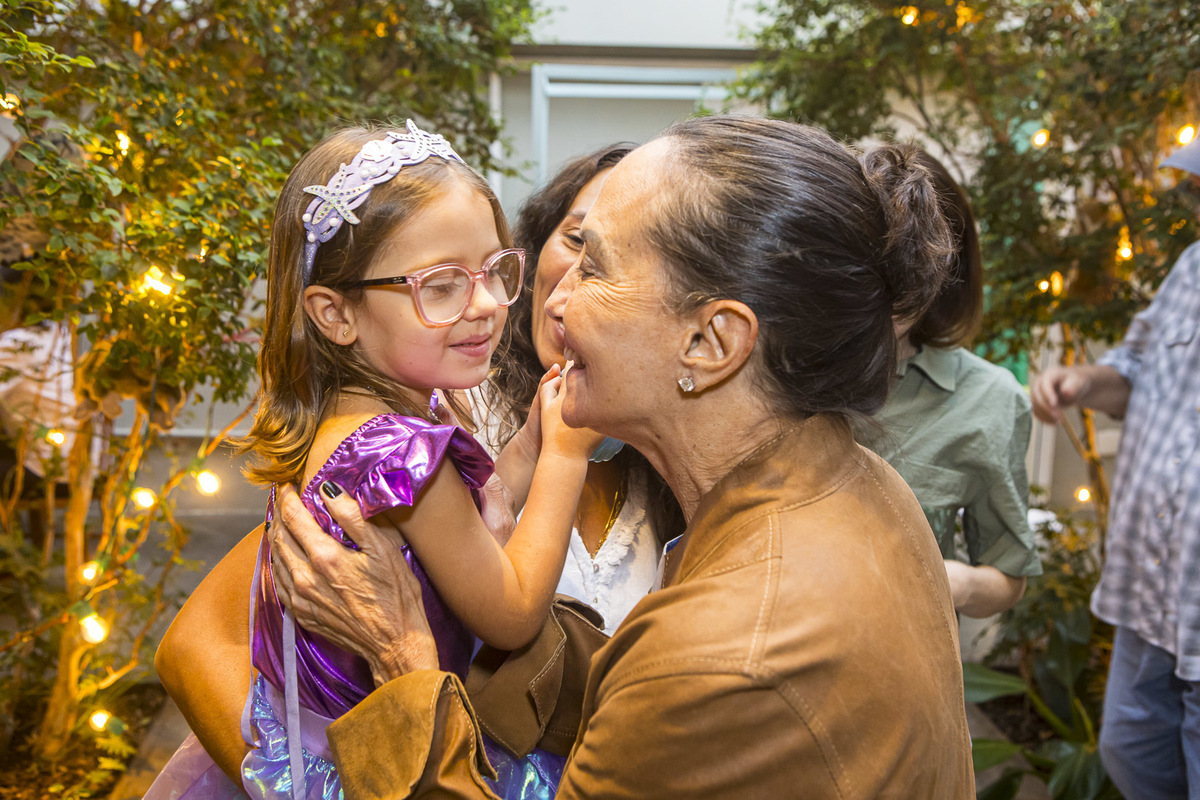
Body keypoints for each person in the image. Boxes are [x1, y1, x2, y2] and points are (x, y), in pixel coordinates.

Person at [269, 115, 976, 798]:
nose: (553, 301)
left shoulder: (722, 659)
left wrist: (403, 665)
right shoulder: (869, 487)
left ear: (710, 342)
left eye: (596, 267)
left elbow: (682, 681)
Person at [151, 143, 686, 792]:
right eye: (441, 285)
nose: (485, 303)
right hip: (382, 762)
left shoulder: (355, 427)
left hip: (310, 736)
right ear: (336, 314)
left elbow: (474, 515)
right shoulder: (404, 458)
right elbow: (512, 613)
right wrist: (565, 456)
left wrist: (528, 448)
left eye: (493, 270)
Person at [1031, 135, 1200, 800]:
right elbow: (1135, 368)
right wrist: (1082, 382)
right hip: (1153, 591)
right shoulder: (1192, 268)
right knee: (1130, 752)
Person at [488, 143, 684, 632]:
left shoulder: (677, 454)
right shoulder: (449, 419)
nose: (571, 295)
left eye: (613, 261)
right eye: (576, 240)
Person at [859, 149, 1041, 619]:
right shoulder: (781, 366)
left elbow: (1007, 573)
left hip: (907, 649)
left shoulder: (989, 399)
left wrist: (952, 582)